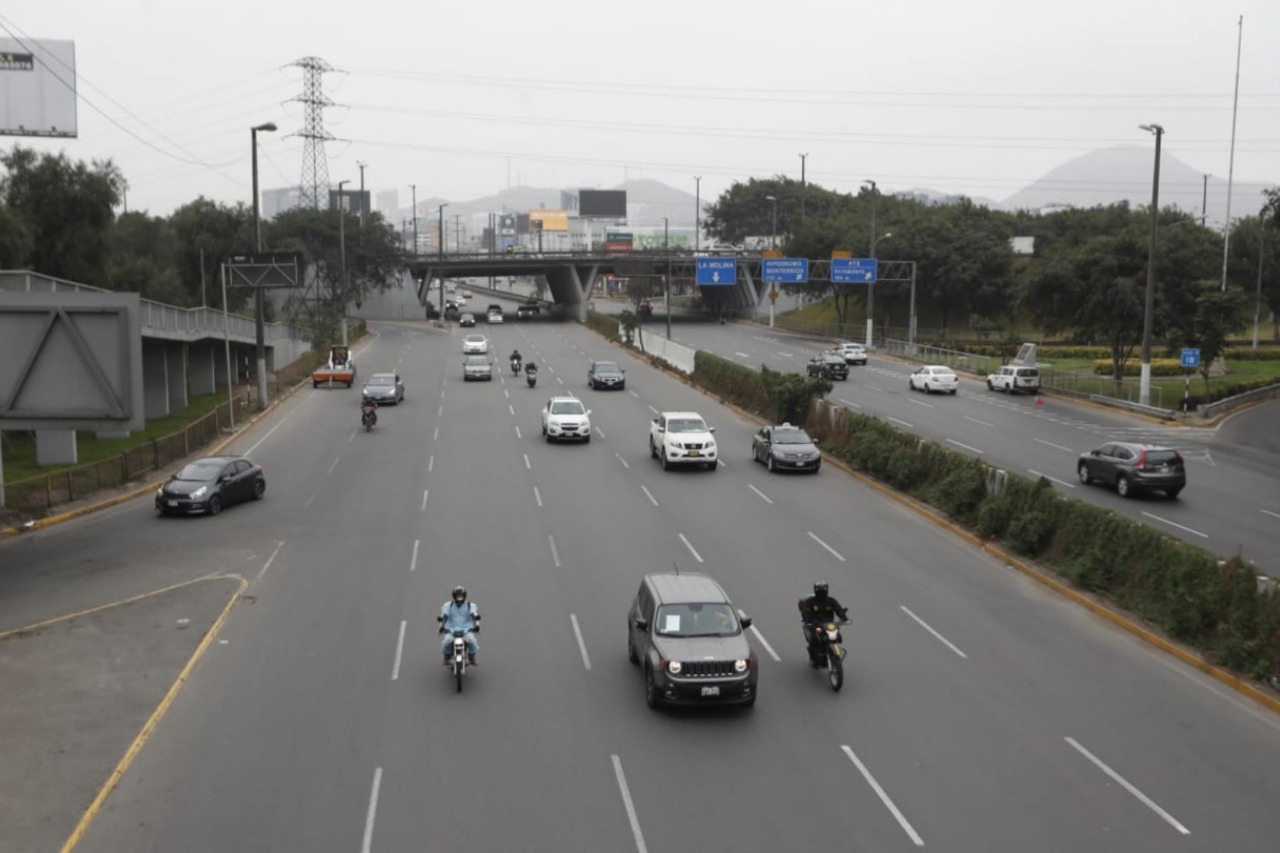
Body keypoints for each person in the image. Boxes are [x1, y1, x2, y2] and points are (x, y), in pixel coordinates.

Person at [798, 582, 849, 664]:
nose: (822, 592)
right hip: (816, 625)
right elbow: (806, 611)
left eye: (823, 590)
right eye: (820, 590)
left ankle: (835, 655)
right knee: (815, 639)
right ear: (815, 591)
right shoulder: (811, 601)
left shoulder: (831, 601)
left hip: (829, 625)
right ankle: (814, 656)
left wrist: (844, 618)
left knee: (838, 636)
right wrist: (810, 620)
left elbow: (838, 610)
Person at [439, 585, 479, 666]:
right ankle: (446, 657)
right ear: (454, 596)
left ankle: (472, 657)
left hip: (466, 628)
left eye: (461, 596)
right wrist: (442, 626)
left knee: (472, 640)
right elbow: (444, 616)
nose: (459, 598)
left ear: (464, 596)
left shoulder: (470, 605)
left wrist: (476, 625)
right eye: (458, 596)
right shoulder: (448, 605)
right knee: (446, 641)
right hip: (451, 628)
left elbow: (473, 615)